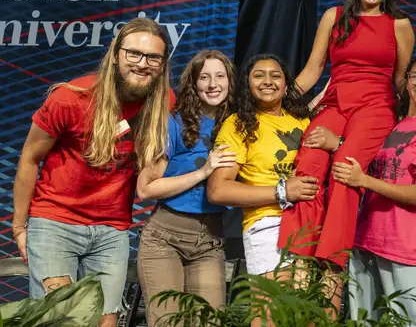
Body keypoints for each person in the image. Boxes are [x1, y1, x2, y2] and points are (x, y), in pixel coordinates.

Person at [12, 18, 174, 327]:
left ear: (163, 63)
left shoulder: (165, 103)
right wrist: (20, 227)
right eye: (134, 54)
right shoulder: (71, 97)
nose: (143, 64)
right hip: (56, 223)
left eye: (153, 57)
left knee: (105, 322)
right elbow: (30, 158)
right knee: (59, 319)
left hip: (112, 229)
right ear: (116, 54)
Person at [277, 0, 415, 312]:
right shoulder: (334, 17)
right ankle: (298, 254)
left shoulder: (399, 24)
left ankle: (332, 265)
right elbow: (311, 71)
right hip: (336, 101)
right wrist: (275, 102)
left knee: (345, 173)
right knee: (309, 160)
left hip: (376, 106)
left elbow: (401, 81)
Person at [334, 55, 416, 327]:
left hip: (404, 248)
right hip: (366, 242)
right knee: (364, 322)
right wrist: (338, 143)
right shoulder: (392, 124)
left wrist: (363, 181)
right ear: (406, 82)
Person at [136, 50, 237, 326]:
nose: (213, 84)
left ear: (230, 81)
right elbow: (145, 189)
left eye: (219, 76)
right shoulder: (174, 123)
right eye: (204, 77)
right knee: (169, 322)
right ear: (194, 83)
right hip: (164, 239)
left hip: (210, 241)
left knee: (210, 322)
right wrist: (203, 172)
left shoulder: (240, 126)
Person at [207, 54, 320, 282]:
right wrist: (282, 191)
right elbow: (218, 190)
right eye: (259, 75)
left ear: (287, 84)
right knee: (271, 313)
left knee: (303, 313)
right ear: (248, 85)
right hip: (268, 224)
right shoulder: (236, 124)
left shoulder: (303, 120)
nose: (268, 81)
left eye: (275, 75)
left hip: (308, 221)